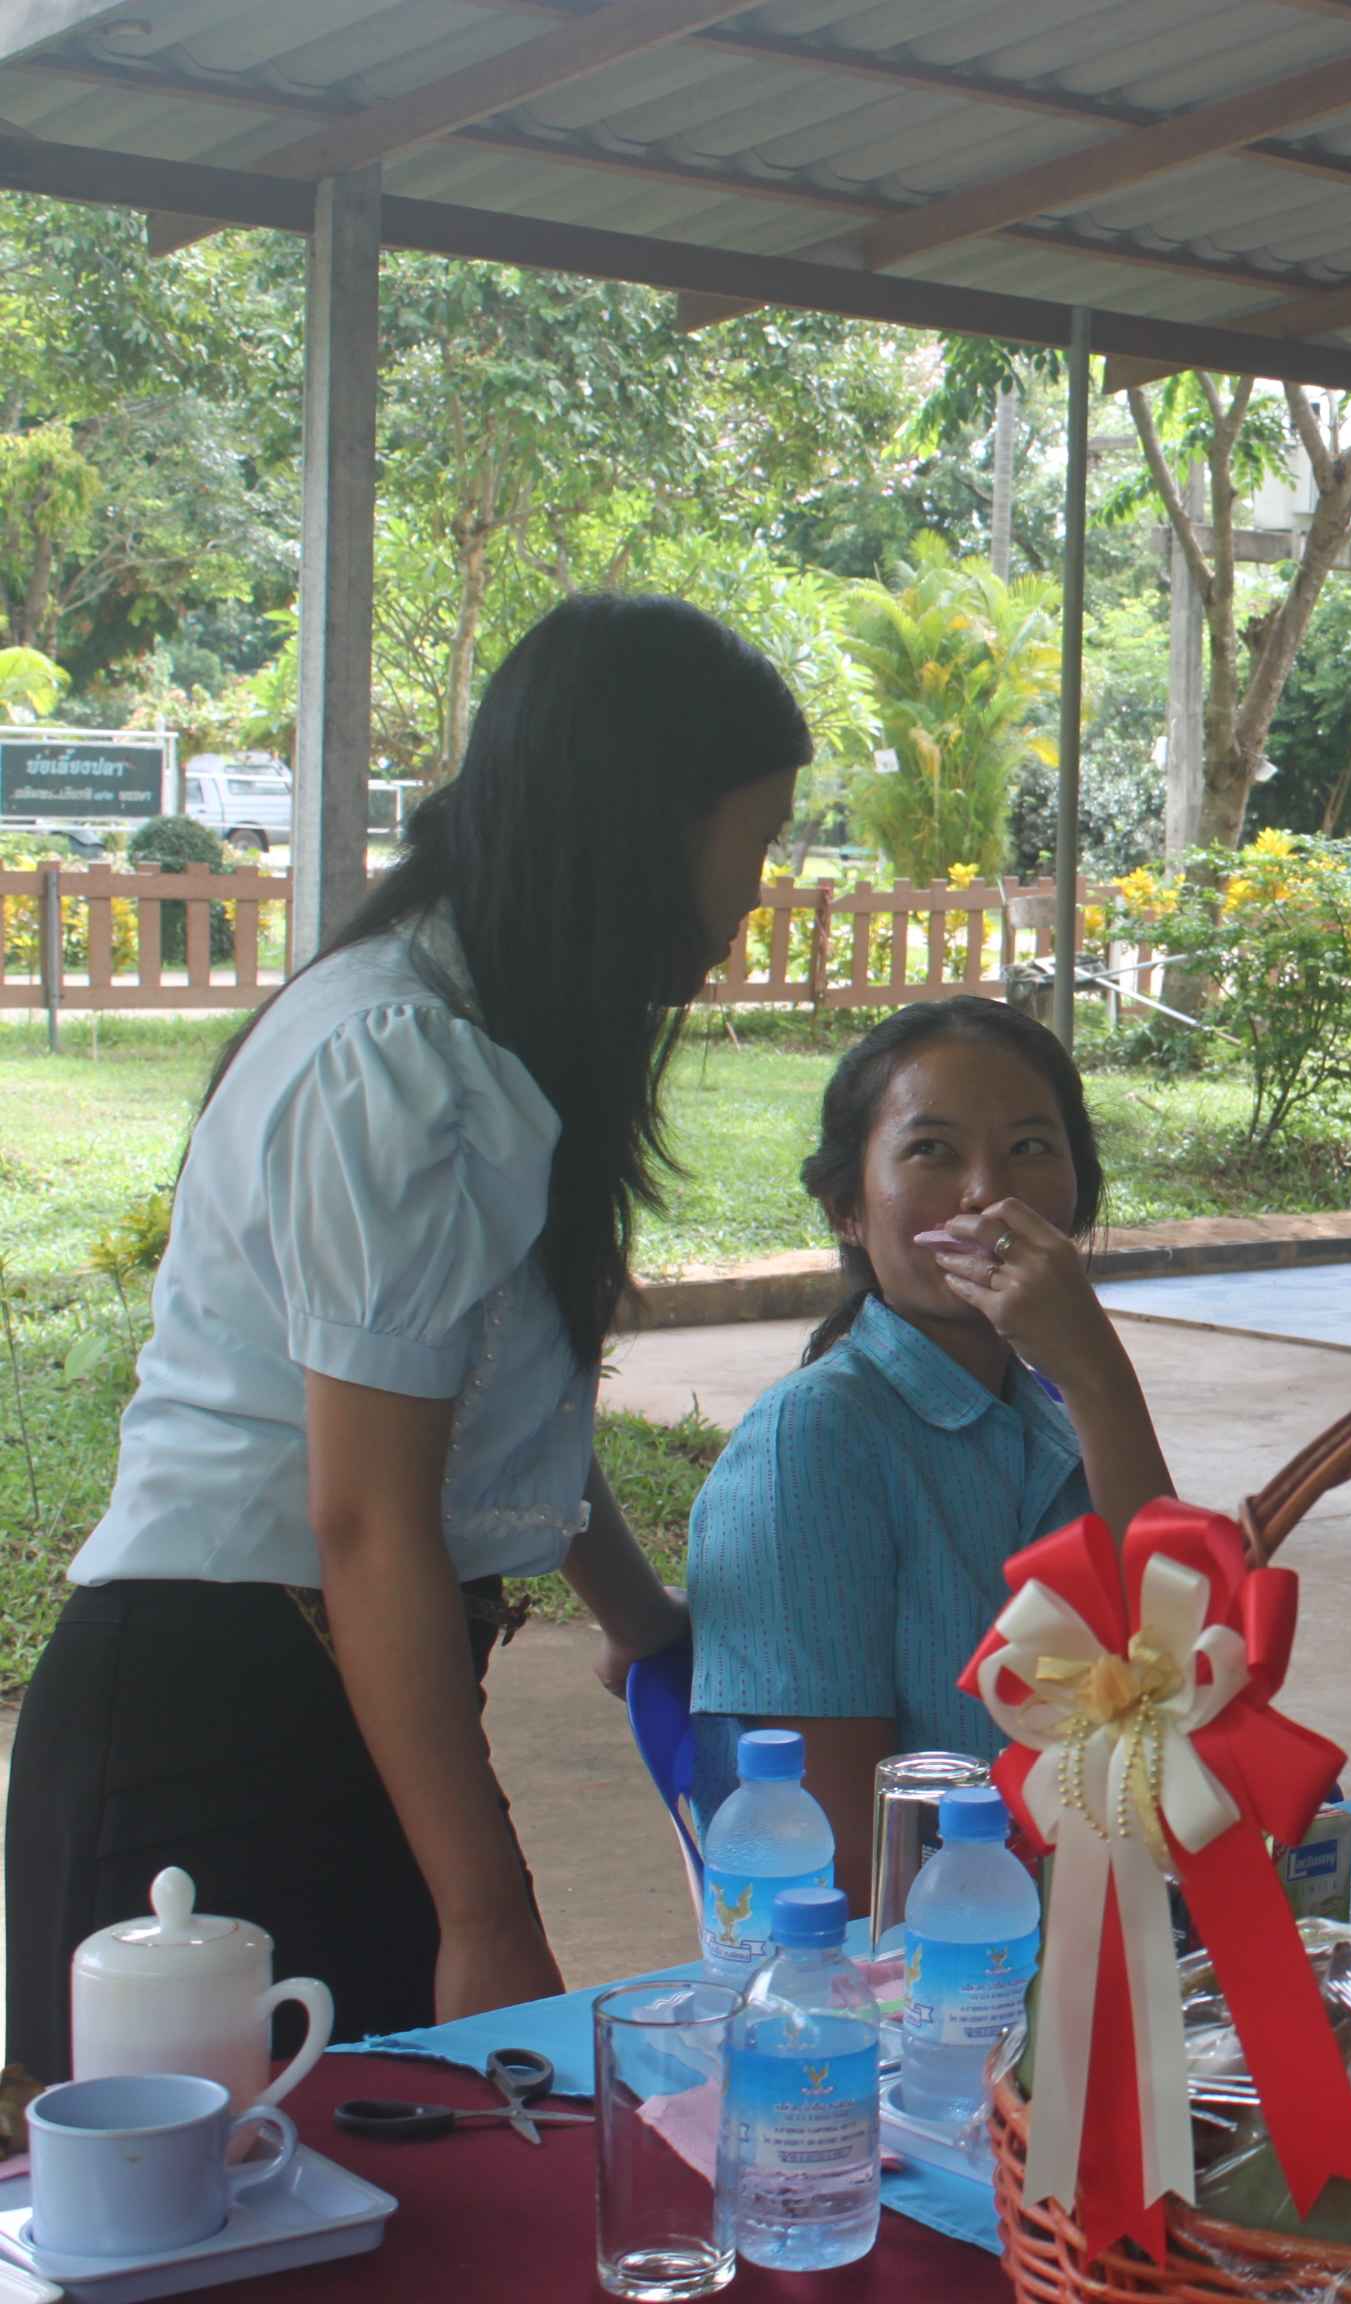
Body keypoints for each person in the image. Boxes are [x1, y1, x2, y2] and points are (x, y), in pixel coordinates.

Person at [3, 597, 803, 2069]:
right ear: (640, 833)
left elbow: (487, 1403)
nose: (756, 895)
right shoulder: (398, 1060)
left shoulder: (486, 1033)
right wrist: (484, 1910)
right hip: (214, 1733)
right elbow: (366, 1519)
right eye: (752, 844)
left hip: (345, 1704)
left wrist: (637, 1618)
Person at [683, 997, 1174, 1896]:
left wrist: (1098, 1372)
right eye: (932, 1151)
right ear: (846, 1208)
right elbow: (838, 1860)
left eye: (1031, 1147)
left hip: (1107, 1923)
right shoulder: (815, 1440)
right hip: (940, 1952)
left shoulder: (1061, 1421)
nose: (986, 1194)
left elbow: (1185, 1696)